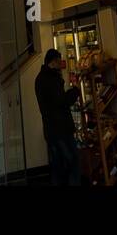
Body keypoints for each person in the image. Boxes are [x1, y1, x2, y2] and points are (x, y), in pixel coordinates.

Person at [35, 48, 81, 185]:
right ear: (53, 62)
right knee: (73, 160)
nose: (61, 65)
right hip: (61, 129)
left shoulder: (40, 78)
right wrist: (76, 90)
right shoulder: (51, 79)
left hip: (51, 129)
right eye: (59, 62)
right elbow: (62, 101)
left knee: (57, 164)